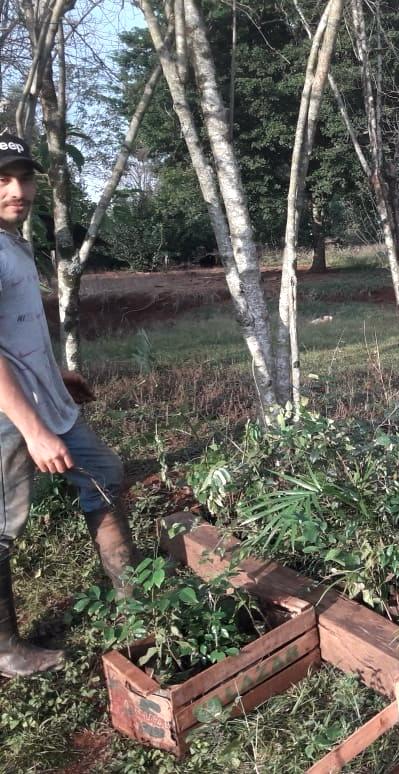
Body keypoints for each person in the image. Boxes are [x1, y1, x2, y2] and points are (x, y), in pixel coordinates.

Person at [0, 133, 139, 677]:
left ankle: (132, 594)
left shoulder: (11, 240)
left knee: (103, 471)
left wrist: (53, 373)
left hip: (40, 396)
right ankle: (6, 650)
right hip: (11, 417)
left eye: (24, 178)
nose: (18, 190)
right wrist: (34, 430)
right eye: (2, 181)